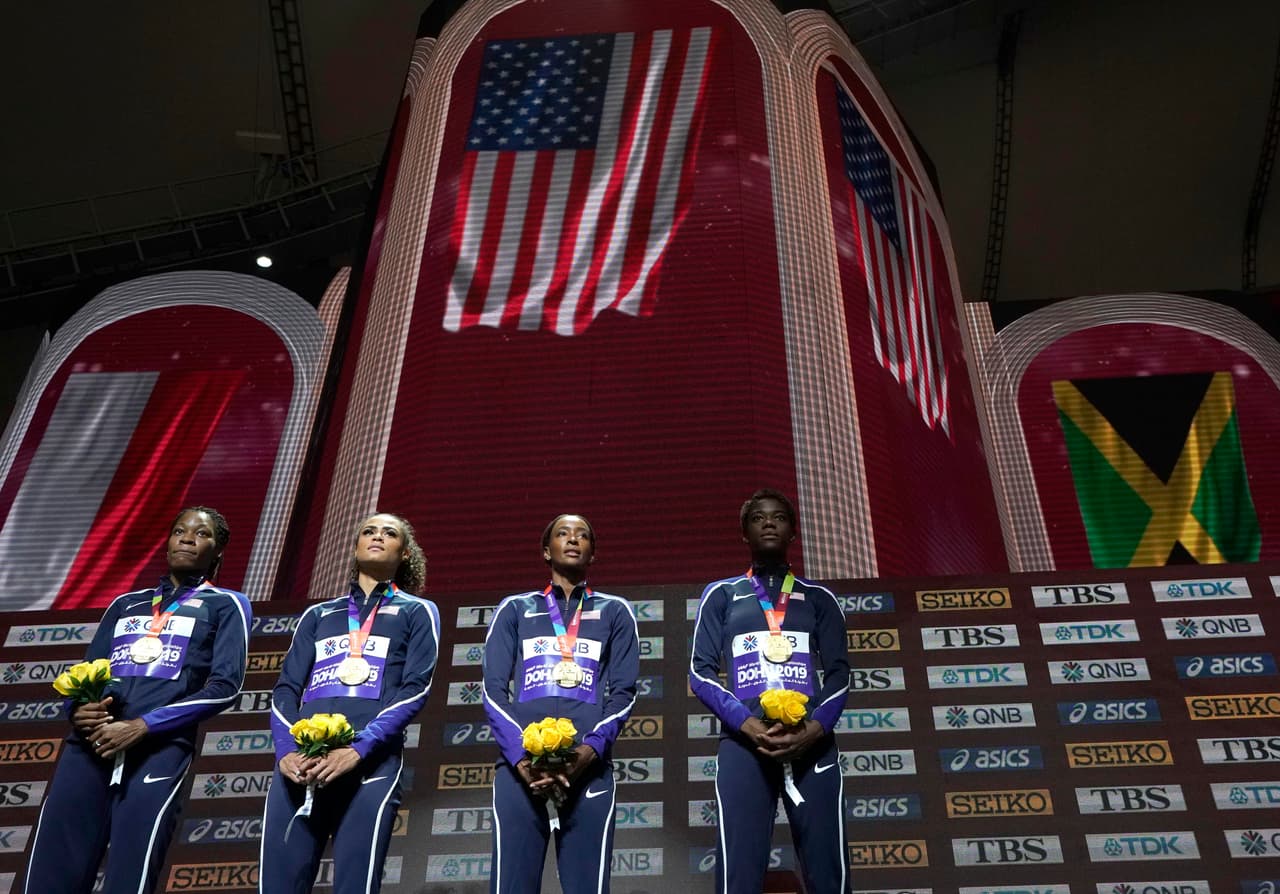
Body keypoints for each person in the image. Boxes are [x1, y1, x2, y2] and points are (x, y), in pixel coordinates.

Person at [23, 506, 252, 894]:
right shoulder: (125, 604)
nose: (187, 538)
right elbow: (86, 674)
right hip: (90, 746)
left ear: (218, 551)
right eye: (179, 531)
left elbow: (225, 687)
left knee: (131, 874)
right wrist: (78, 709)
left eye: (202, 534)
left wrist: (145, 725)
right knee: (52, 871)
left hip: (159, 749)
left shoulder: (226, 604)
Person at [260, 512, 440, 894]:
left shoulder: (417, 611)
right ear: (355, 547)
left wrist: (359, 749)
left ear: (405, 553)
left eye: (389, 533)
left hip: (370, 765)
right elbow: (286, 690)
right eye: (368, 531)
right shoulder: (319, 614)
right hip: (301, 764)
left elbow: (416, 688)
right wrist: (286, 750)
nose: (377, 536)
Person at [689, 489, 852, 894]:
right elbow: (699, 672)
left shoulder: (818, 598)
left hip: (812, 746)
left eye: (778, 517)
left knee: (828, 872)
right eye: (758, 517)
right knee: (739, 874)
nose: (768, 523)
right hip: (745, 745)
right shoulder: (722, 594)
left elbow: (839, 674)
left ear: (793, 531)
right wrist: (748, 725)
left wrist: (814, 729)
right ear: (744, 532)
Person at [483, 514, 640, 894]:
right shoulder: (515, 609)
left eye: (583, 535)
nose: (573, 539)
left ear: (593, 554)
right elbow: (492, 690)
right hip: (520, 771)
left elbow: (623, 693)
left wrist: (589, 750)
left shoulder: (615, 610)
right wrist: (520, 757)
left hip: (588, 770)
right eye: (563, 533)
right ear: (545, 550)